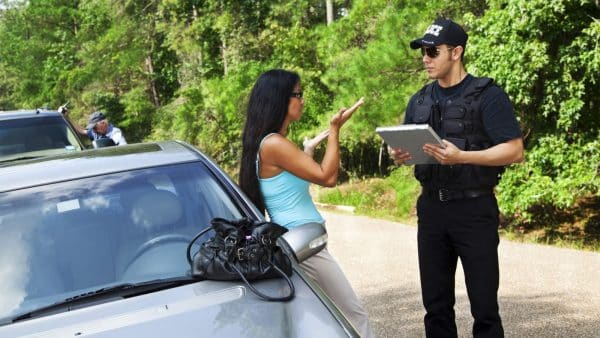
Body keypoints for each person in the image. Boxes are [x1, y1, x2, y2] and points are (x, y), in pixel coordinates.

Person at [389, 18, 524, 337]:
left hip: (474, 211)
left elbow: (515, 150)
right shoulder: (419, 100)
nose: (425, 58)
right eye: (423, 51)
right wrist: (401, 156)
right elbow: (411, 150)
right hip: (432, 211)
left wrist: (463, 156)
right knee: (435, 308)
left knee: (485, 309)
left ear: (456, 52)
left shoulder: (487, 96)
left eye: (433, 51)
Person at [239, 69, 374, 338]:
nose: (302, 100)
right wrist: (335, 131)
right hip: (302, 247)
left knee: (316, 322)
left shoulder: (268, 143)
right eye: (298, 94)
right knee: (354, 316)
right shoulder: (274, 144)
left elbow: (288, 182)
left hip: (298, 245)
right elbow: (328, 177)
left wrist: (309, 150)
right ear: (279, 99)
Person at [59, 106, 127, 146]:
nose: (93, 130)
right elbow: (82, 131)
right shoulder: (95, 132)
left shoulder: (115, 133)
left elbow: (123, 147)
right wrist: (67, 117)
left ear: (103, 123)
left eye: (94, 127)